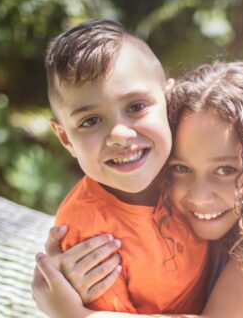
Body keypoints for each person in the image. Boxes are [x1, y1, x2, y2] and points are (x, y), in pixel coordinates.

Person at [34, 62, 243, 317]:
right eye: (181, 168)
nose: (200, 195)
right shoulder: (174, 214)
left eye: (225, 170)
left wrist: (71, 312)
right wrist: (68, 273)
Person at [43, 18, 209, 314]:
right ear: (65, 138)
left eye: (136, 107)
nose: (120, 135)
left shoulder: (199, 163)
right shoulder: (87, 232)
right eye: (90, 121)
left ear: (170, 102)